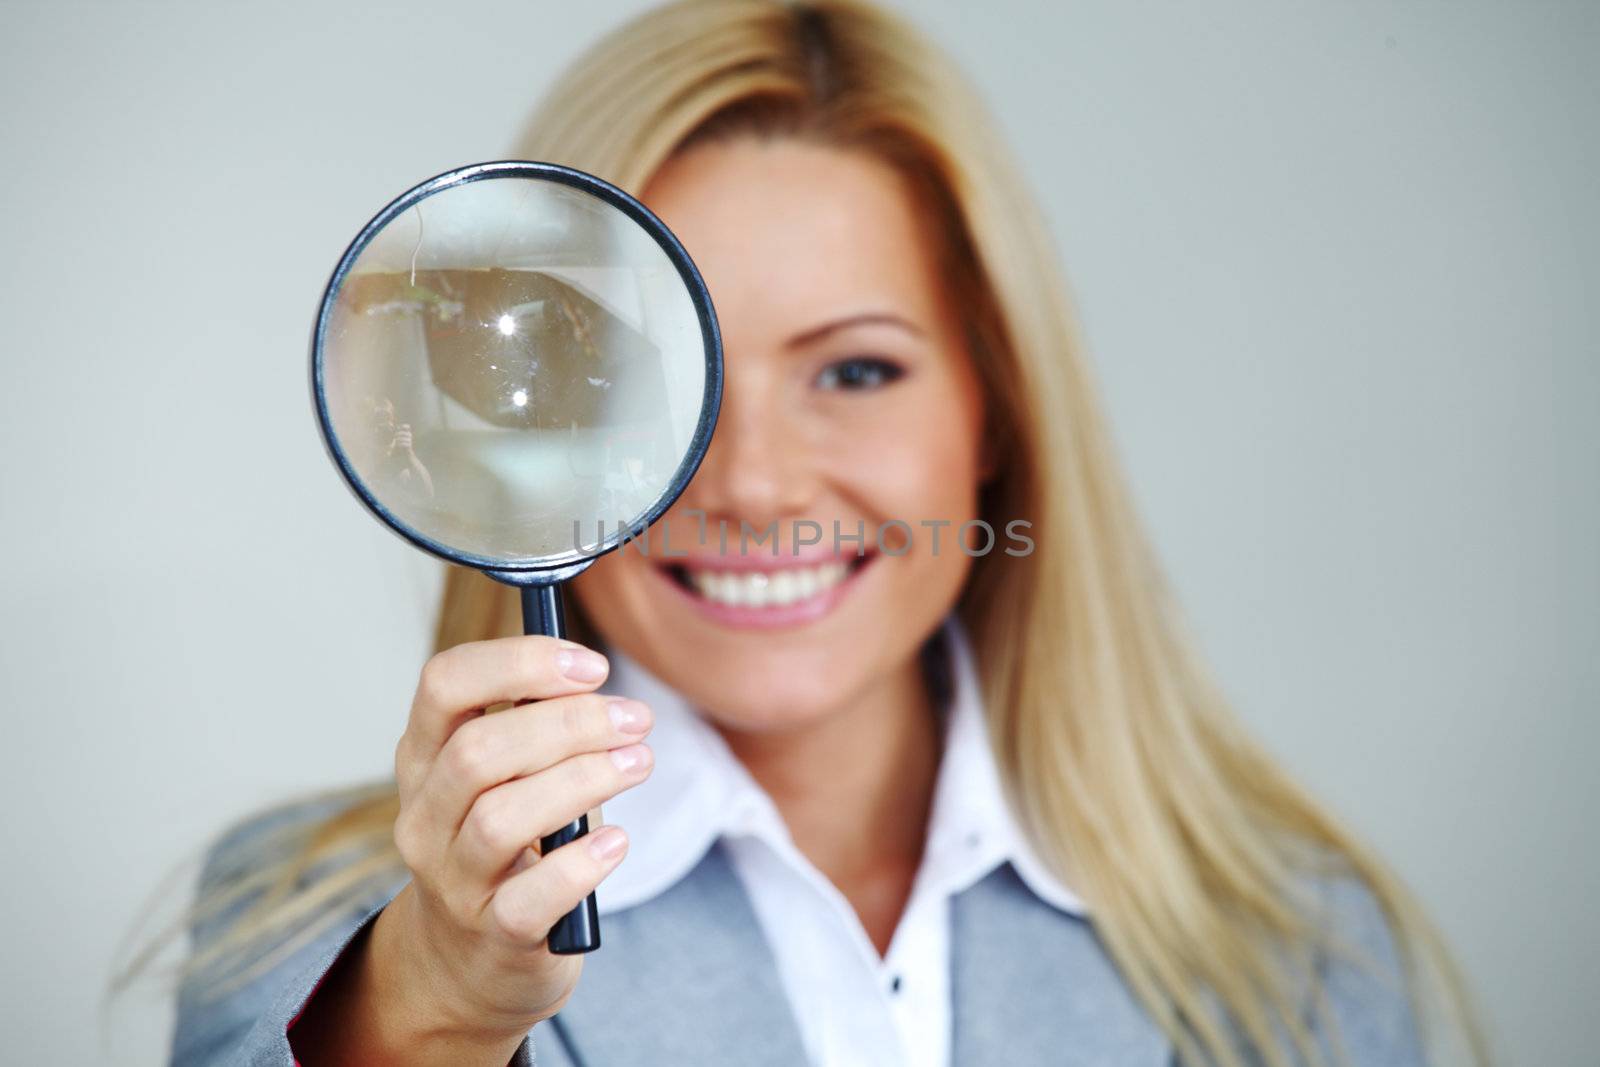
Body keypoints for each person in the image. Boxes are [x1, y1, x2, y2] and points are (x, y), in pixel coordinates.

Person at [167, 2, 1484, 1065]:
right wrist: (431, 1021)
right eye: (648, 382)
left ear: (997, 414)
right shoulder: (323, 949)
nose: (749, 485)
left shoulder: (1300, 944)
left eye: (854, 372)